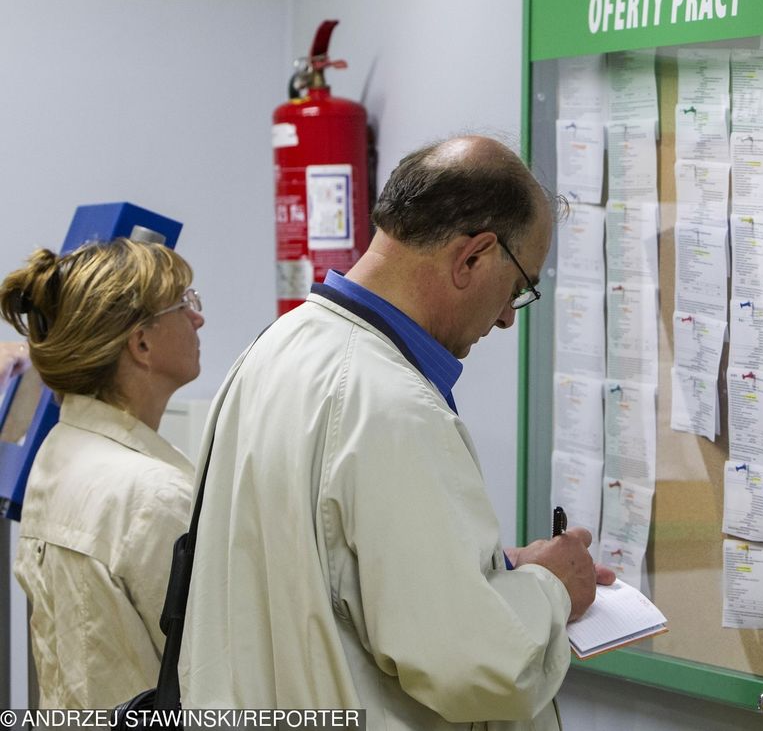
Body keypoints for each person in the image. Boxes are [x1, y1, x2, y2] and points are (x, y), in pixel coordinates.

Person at [182, 136, 611, 728]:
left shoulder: (273, 349)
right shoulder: (392, 405)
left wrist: (490, 574)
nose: (507, 318)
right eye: (518, 288)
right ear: (473, 257)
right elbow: (476, 666)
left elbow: (329, 572)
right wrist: (553, 587)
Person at [0, 239, 204, 707]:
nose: (198, 318)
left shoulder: (60, 450)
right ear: (141, 343)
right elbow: (215, 669)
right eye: (184, 303)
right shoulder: (153, 495)